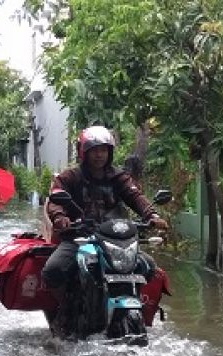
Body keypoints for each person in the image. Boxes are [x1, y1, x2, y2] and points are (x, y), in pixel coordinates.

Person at [42, 125, 169, 331]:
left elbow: (134, 195)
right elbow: (56, 198)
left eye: (104, 150)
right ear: (84, 152)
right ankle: (65, 307)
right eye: (94, 150)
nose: (99, 155)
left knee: (149, 267)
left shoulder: (117, 177)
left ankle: (131, 303)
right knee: (53, 270)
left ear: (110, 152)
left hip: (114, 239)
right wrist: (60, 218)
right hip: (79, 236)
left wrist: (151, 215)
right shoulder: (70, 176)